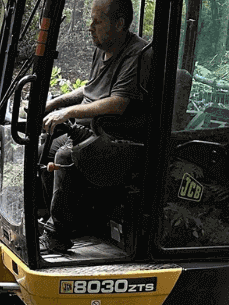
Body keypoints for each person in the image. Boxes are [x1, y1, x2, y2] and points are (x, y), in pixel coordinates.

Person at [41, 0, 149, 253]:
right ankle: (64, 224)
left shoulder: (139, 54)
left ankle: (58, 234)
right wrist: (54, 103)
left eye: (97, 21)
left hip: (120, 138)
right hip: (90, 132)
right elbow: (90, 90)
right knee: (44, 148)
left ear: (120, 23)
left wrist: (69, 111)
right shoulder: (103, 48)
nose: (90, 27)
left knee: (65, 156)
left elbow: (119, 103)